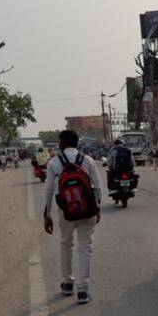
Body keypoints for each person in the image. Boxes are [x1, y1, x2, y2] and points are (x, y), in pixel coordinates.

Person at [43, 130, 103, 304]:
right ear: (77, 143)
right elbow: (98, 188)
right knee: (85, 249)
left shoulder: (54, 163)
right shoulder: (88, 160)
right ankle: (83, 291)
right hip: (88, 211)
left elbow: (48, 191)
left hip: (65, 212)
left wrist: (47, 215)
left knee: (66, 245)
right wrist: (97, 208)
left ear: (62, 143)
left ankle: (68, 283)